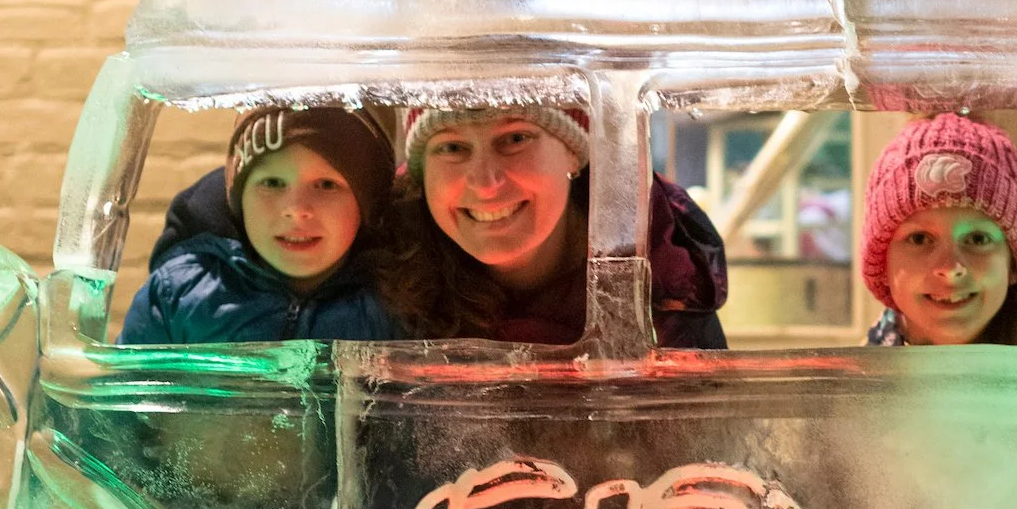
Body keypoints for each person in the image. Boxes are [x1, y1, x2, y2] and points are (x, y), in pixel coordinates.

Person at [385, 100, 728, 347]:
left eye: (515, 138)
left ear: (574, 151)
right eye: (452, 147)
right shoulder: (386, 294)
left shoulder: (666, 283)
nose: (485, 182)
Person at [118, 104, 404, 344]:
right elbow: (121, 406)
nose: (296, 210)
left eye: (326, 185)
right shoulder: (177, 298)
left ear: (368, 204)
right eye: (272, 183)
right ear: (237, 199)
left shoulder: (402, 302)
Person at [861, 112, 1017, 347]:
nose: (950, 269)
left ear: (1014, 265)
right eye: (919, 238)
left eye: (977, 238)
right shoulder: (879, 351)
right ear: (883, 264)